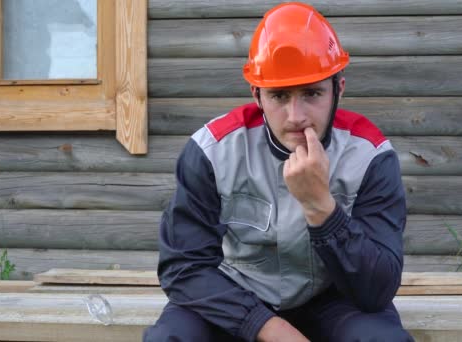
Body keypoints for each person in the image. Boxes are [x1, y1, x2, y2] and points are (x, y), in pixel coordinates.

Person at [144, 2, 413, 341]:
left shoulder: (370, 156)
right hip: (235, 295)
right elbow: (183, 268)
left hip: (333, 301)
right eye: (279, 96)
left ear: (338, 89)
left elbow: (377, 290)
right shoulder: (212, 151)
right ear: (256, 94)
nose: (295, 115)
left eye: (312, 93)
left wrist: (321, 207)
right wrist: (266, 326)